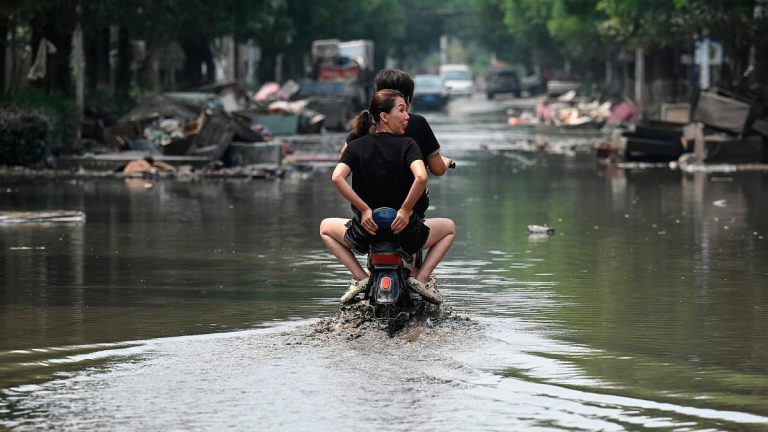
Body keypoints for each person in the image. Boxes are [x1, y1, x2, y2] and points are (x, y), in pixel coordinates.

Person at [319, 89, 456, 305]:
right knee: (449, 227)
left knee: (325, 227)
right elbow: (421, 177)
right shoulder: (409, 145)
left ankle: (360, 278)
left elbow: (337, 177)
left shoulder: (355, 146)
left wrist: (364, 210)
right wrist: (405, 210)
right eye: (401, 110)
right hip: (405, 232)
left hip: (367, 232)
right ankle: (421, 280)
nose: (407, 116)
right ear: (384, 116)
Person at [341, 69, 455, 218]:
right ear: (406, 98)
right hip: (409, 213)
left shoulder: (365, 122)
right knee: (448, 229)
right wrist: (446, 162)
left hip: (367, 212)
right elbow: (437, 169)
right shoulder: (416, 124)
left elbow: (343, 158)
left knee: (327, 229)